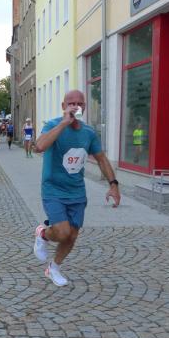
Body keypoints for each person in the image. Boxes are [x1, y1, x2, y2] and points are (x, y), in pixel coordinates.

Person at [32, 90, 120, 286]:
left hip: (77, 192)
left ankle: (53, 268)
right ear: (64, 106)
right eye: (71, 103)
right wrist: (64, 123)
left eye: (80, 103)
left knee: (71, 235)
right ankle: (43, 234)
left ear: (84, 107)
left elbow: (101, 159)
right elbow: (39, 147)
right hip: (53, 190)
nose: (76, 106)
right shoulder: (53, 125)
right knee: (62, 232)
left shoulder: (88, 132)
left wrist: (113, 185)